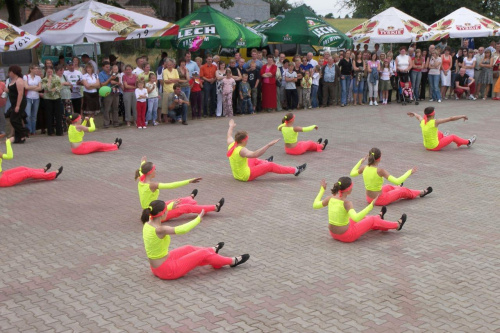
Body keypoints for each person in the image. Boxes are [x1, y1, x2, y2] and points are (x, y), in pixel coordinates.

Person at [141, 200, 249, 280]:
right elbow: (182, 230)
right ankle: (231, 261)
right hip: (167, 270)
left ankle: (212, 251)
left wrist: (170, 206)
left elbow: (158, 212)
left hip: (158, 265)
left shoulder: (148, 222)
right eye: (166, 211)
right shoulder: (160, 229)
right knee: (202, 253)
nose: (167, 212)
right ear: (161, 213)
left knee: (189, 248)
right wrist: (197, 220)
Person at [313, 177, 407, 243]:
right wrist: (370, 206)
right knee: (372, 220)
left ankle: (379, 217)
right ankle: (397, 225)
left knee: (366, 218)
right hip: (347, 236)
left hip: (333, 234)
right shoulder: (347, 203)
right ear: (348, 189)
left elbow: (315, 205)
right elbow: (356, 218)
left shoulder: (330, 198)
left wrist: (322, 190)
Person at [136, 157, 224, 219]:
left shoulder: (141, 178)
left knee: (177, 200)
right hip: (156, 214)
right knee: (186, 207)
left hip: (155, 207)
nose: (155, 171)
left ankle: (189, 198)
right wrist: (189, 181)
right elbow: (171, 185)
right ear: (150, 172)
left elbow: (142, 168)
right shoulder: (152, 185)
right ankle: (215, 208)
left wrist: (143, 162)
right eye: (154, 169)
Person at [226, 119, 306, 181]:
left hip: (236, 174)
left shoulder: (232, 143)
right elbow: (255, 154)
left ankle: (265, 162)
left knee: (253, 159)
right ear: (243, 140)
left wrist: (231, 126)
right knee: (270, 166)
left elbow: (229, 134)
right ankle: (295, 170)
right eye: (247, 140)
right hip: (245, 176)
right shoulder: (242, 150)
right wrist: (268, 145)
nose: (248, 141)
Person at [350, 148, 432, 206]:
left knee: (388, 186)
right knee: (402, 191)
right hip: (380, 199)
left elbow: (352, 173)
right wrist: (409, 172)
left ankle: (397, 188)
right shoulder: (380, 171)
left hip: (369, 198)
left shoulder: (364, 168)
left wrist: (360, 161)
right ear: (379, 158)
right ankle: (421, 192)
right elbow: (397, 180)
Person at [407, 107, 476, 151]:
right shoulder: (435, 122)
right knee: (453, 137)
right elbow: (450, 118)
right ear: (433, 114)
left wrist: (413, 113)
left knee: (438, 132)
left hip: (426, 146)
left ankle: (444, 137)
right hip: (434, 146)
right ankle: (468, 142)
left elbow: (418, 116)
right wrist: (462, 116)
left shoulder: (422, 122)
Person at [7, 66, 29, 143]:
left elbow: (20, 93)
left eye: (10, 72)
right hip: (13, 102)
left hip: (19, 102)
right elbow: (10, 90)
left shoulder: (19, 80)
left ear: (13, 72)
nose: (9, 73)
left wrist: (18, 106)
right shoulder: (12, 80)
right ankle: (19, 137)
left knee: (13, 119)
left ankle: (24, 131)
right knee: (17, 119)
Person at [41, 66, 62, 136]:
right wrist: (49, 81)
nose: (50, 73)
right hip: (48, 98)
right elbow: (46, 87)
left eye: (51, 72)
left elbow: (59, 86)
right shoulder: (44, 79)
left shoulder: (57, 77)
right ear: (46, 72)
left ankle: (59, 131)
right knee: (49, 115)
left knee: (58, 114)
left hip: (57, 97)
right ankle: (50, 131)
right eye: (48, 72)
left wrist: (53, 89)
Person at [98, 61, 120, 128]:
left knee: (115, 108)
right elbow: (102, 84)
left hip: (115, 91)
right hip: (107, 92)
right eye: (106, 67)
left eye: (109, 67)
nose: (108, 68)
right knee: (107, 108)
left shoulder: (113, 72)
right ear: (103, 67)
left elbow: (119, 81)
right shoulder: (101, 74)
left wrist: (116, 81)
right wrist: (110, 79)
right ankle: (106, 123)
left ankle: (116, 122)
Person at [23, 64, 42, 136]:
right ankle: (29, 129)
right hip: (28, 97)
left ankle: (33, 130)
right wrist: (35, 87)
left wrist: (32, 87)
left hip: (36, 98)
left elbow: (40, 88)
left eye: (37, 69)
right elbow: (26, 87)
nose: (37, 70)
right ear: (31, 69)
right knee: (28, 114)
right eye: (35, 69)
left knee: (34, 115)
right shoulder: (26, 77)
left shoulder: (38, 78)